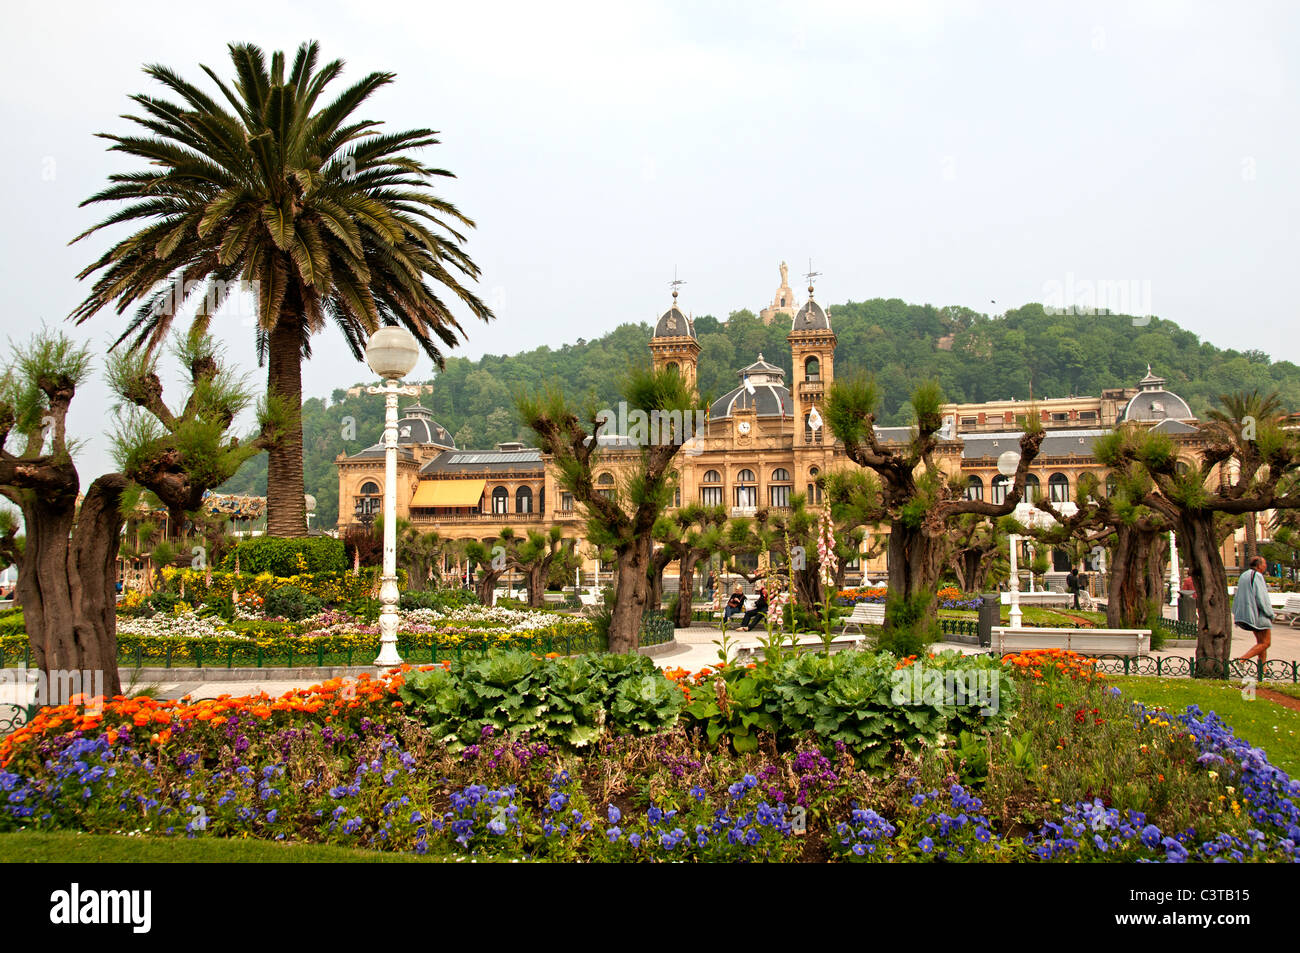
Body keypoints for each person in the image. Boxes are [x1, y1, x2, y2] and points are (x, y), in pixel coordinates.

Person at [1233, 556, 1274, 666]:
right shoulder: (1257, 576)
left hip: (1249, 614)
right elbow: (1262, 598)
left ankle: (1262, 669)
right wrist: (1270, 614)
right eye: (1264, 563)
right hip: (1259, 615)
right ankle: (1241, 660)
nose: (1265, 566)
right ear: (1259, 565)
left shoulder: (1244, 575)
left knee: (1260, 643)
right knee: (1266, 643)